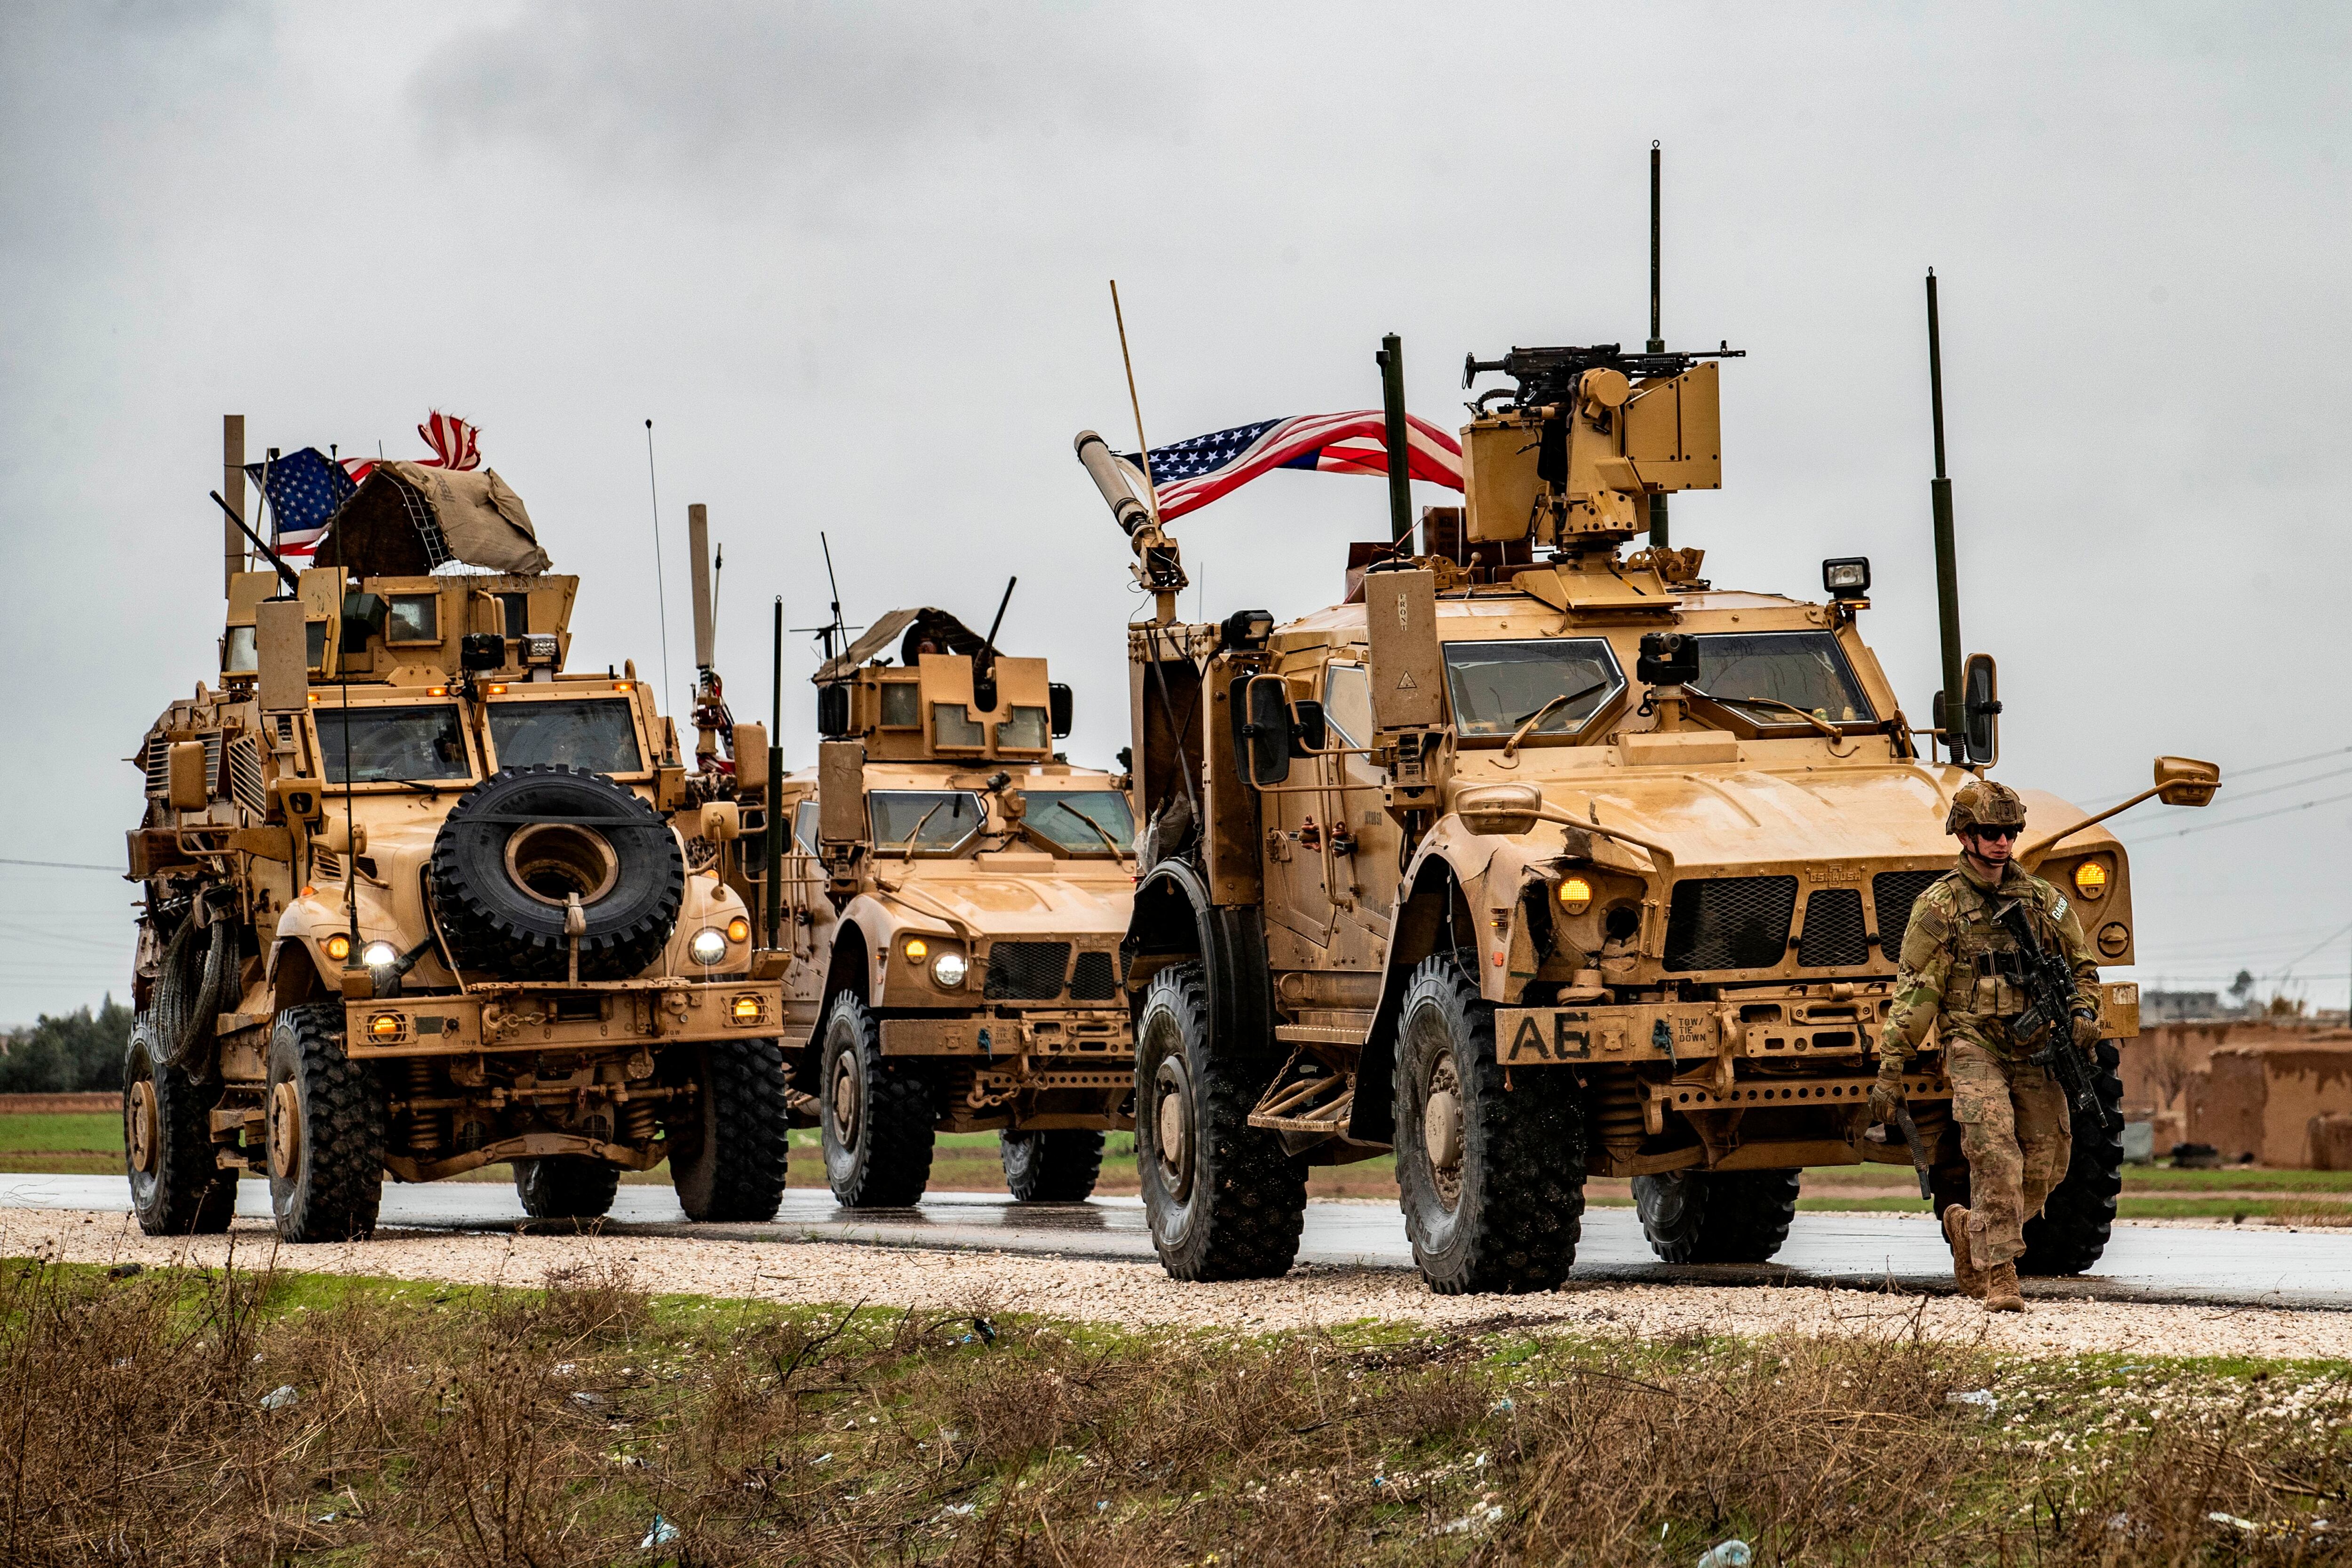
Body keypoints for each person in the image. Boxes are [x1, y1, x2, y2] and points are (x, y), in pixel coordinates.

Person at [1874, 780, 2103, 1313]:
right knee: (1995, 1154)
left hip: (2035, 1048)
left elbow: (2082, 968)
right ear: (1964, 835)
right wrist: (1891, 1066)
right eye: (1988, 832)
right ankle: (2001, 1276)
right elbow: (1916, 990)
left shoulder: (2045, 900)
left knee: (2047, 1163)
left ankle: (1967, 1229)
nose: (2000, 842)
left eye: (2007, 832)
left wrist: (2083, 1011)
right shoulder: (1938, 906)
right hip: (1973, 1041)